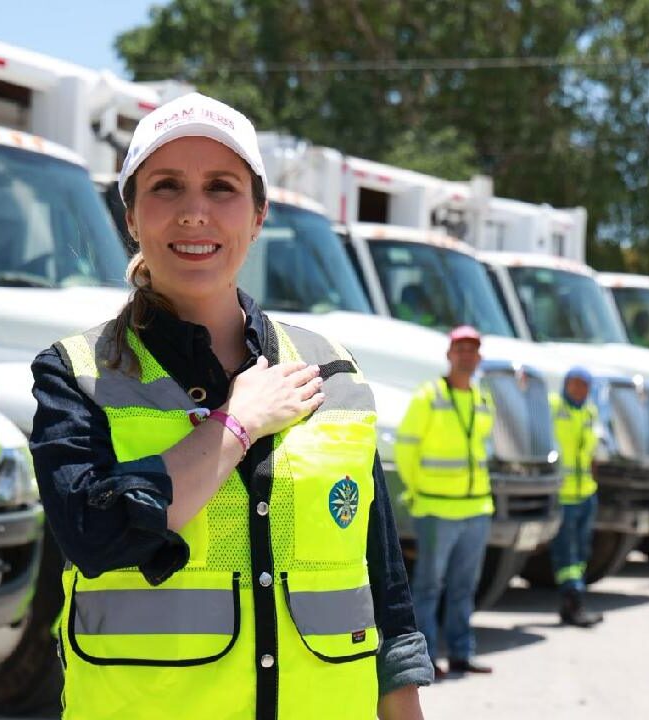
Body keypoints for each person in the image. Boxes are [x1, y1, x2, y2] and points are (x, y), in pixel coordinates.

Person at [29, 93, 430, 720]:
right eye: (166, 187)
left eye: (222, 187)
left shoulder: (335, 374)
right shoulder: (76, 375)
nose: (195, 213)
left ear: (259, 214)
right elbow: (96, 535)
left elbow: (382, 587)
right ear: (131, 215)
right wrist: (236, 424)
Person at [395, 325, 495, 677]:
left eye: (473, 349)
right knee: (429, 587)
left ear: (479, 357)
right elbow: (406, 446)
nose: (467, 355)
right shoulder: (429, 395)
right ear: (450, 354)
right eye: (461, 348)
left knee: (464, 588)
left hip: (477, 509)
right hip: (437, 508)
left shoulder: (483, 398)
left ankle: (461, 655)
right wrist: (418, 490)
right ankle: (426, 658)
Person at [548, 366, 605, 627]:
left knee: (581, 552)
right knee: (567, 556)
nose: (579, 389)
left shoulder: (590, 412)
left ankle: (571, 601)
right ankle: (574, 603)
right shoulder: (554, 406)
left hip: (586, 494)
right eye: (575, 383)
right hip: (564, 495)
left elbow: (594, 449)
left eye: (584, 384)